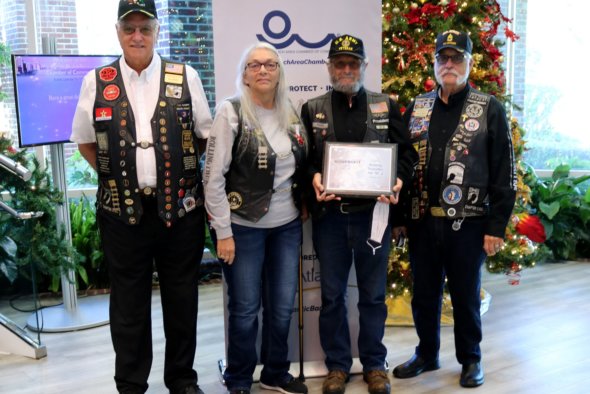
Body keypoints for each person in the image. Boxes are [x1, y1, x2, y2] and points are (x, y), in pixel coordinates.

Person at [70, 1, 212, 393]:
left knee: (182, 301)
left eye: (145, 28)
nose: (137, 36)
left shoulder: (185, 75)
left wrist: (173, 172)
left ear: (156, 31)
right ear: (118, 31)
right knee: (128, 305)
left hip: (180, 212)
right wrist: (117, 172)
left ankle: (182, 380)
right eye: (129, 28)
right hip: (121, 215)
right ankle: (131, 384)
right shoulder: (97, 80)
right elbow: (84, 141)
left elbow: (204, 136)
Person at [391, 30, 516, 388]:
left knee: (465, 294)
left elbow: (504, 171)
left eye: (456, 58)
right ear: (434, 63)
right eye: (443, 58)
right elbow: (402, 161)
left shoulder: (489, 107)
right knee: (425, 294)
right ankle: (427, 354)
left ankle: (471, 359)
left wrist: (496, 226)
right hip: (421, 222)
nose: (449, 64)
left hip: (470, 223)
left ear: (468, 63)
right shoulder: (418, 106)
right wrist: (400, 218)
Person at [300, 34, 418, 394]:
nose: (347, 69)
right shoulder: (313, 108)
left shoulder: (386, 106)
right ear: (330, 67)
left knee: (373, 296)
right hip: (331, 219)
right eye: (340, 63)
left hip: (374, 218)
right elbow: (302, 162)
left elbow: (408, 156)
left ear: (365, 66)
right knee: (333, 295)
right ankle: (337, 366)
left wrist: (398, 180)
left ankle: (373, 364)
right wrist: (314, 178)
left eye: (354, 63)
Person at [203, 42, 309, 394]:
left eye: (270, 64)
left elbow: (301, 167)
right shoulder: (230, 112)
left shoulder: (291, 112)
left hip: (287, 226)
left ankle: (275, 373)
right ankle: (238, 379)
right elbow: (213, 177)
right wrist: (223, 231)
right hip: (243, 228)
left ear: (280, 72)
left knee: (281, 307)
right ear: (245, 75)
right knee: (246, 310)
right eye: (254, 65)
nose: (263, 70)